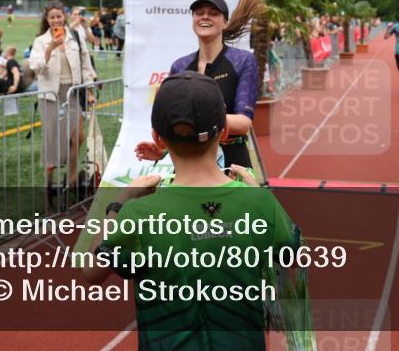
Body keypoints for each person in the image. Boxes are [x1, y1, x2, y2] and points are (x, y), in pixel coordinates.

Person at [84, 72, 300, 351]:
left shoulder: (138, 214)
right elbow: (293, 256)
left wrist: (118, 203)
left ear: (158, 139)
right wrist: (259, 191)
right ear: (224, 132)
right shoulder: (259, 204)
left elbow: (92, 271)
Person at [135, 0, 263, 170]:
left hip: (232, 163)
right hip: (189, 165)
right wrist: (163, 151)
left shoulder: (242, 61)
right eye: (199, 13)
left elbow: (243, 123)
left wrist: (197, 119)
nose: (205, 17)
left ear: (225, 22)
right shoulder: (180, 66)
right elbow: (175, 121)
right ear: (193, 19)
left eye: (213, 13)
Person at [28, 0, 97, 190]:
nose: (56, 20)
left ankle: (72, 180)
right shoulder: (40, 41)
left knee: (77, 138)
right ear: (47, 19)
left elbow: (85, 65)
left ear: (64, 16)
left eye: (59, 16)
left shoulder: (75, 37)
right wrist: (49, 49)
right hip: (50, 96)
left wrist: (90, 90)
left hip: (73, 93)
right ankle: (48, 184)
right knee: (52, 141)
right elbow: (36, 69)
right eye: (52, 17)